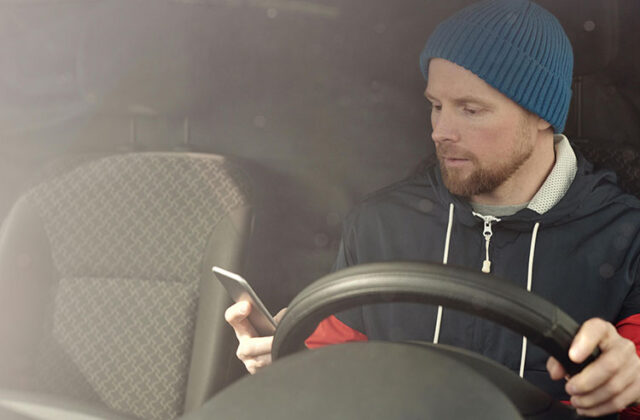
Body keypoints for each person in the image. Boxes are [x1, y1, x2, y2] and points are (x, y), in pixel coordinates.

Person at [225, 0, 640, 417]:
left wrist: (630, 378)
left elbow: (631, 376)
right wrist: (288, 359)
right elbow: (336, 377)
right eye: (436, 105)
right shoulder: (379, 225)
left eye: (470, 109)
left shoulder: (625, 239)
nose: (440, 131)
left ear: (541, 116)